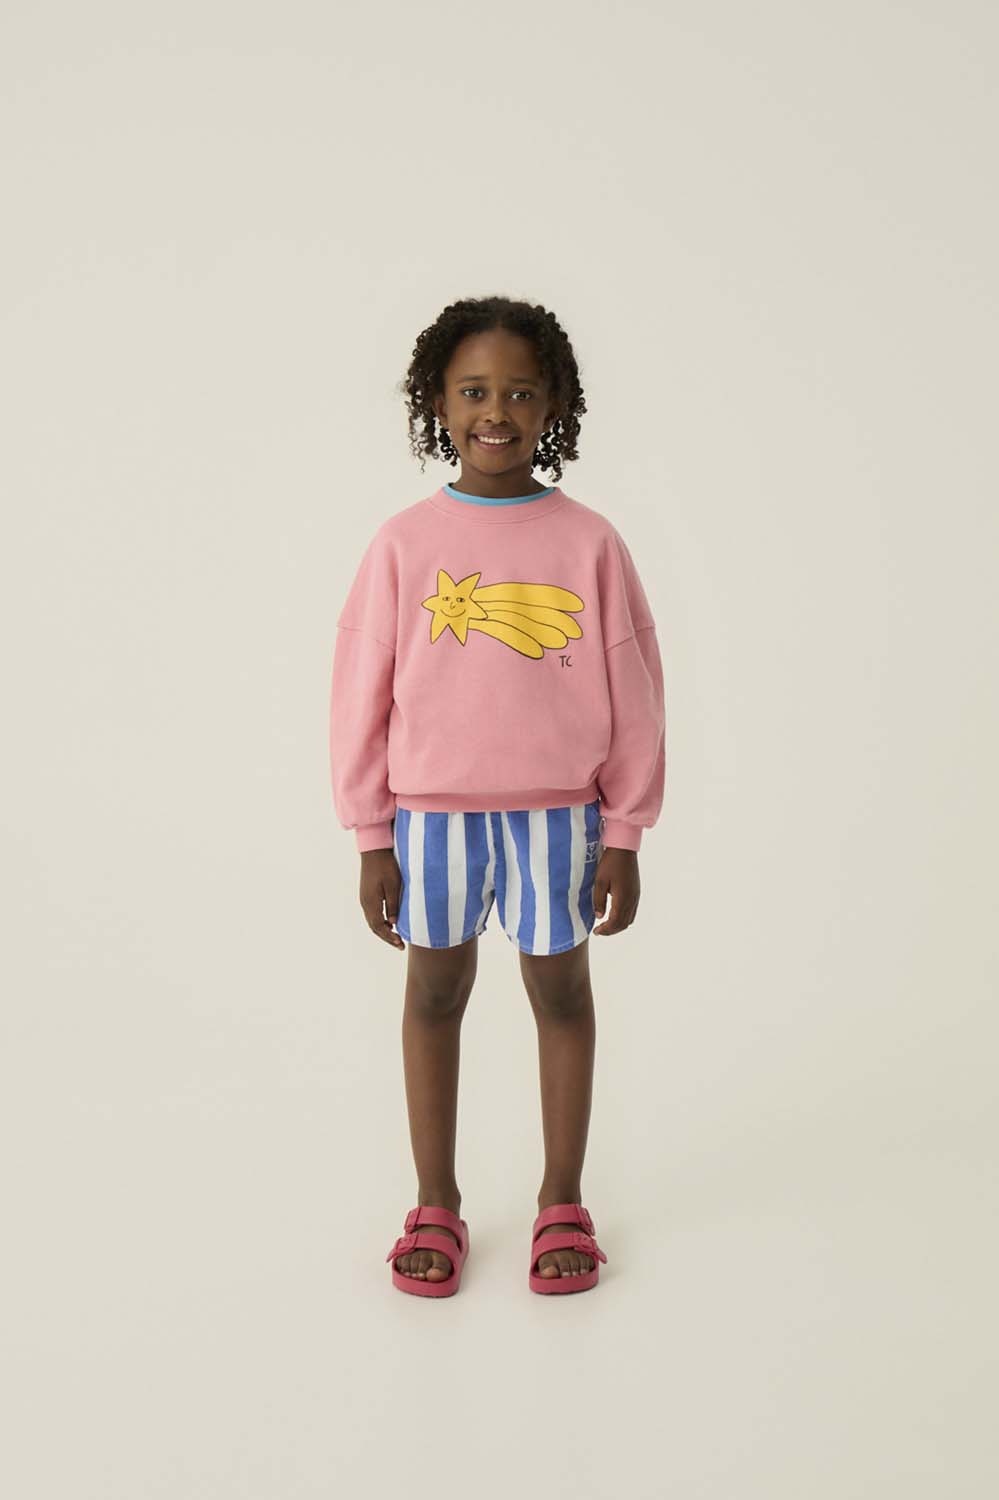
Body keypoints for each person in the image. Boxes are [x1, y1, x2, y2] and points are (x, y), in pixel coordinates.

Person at [329, 295, 666, 1296]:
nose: (496, 411)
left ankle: (562, 1199)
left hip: (561, 816)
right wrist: (370, 832)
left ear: (553, 405)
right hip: (431, 818)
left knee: (559, 994)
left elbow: (635, 689)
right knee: (434, 994)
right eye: (473, 391)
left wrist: (626, 828)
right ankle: (436, 1201)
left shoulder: (590, 542)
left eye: (520, 393)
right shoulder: (403, 544)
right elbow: (360, 692)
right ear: (437, 404)